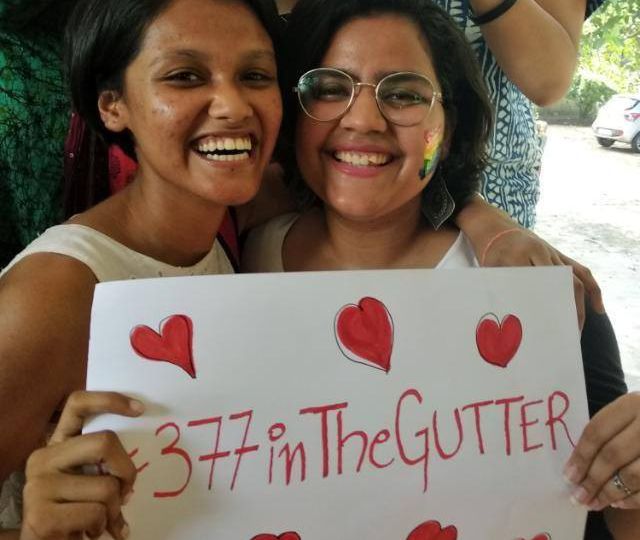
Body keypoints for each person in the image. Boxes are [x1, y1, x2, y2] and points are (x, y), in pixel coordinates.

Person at [242, 0, 640, 537]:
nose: (362, 119)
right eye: (331, 88)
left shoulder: (539, 292)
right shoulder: (233, 263)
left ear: (448, 129)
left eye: (404, 93)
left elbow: (615, 517)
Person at [0, 0, 284, 536]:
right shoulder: (55, 291)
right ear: (113, 107)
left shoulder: (222, 235)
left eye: (255, 75)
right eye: (184, 76)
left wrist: (485, 222)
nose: (233, 105)